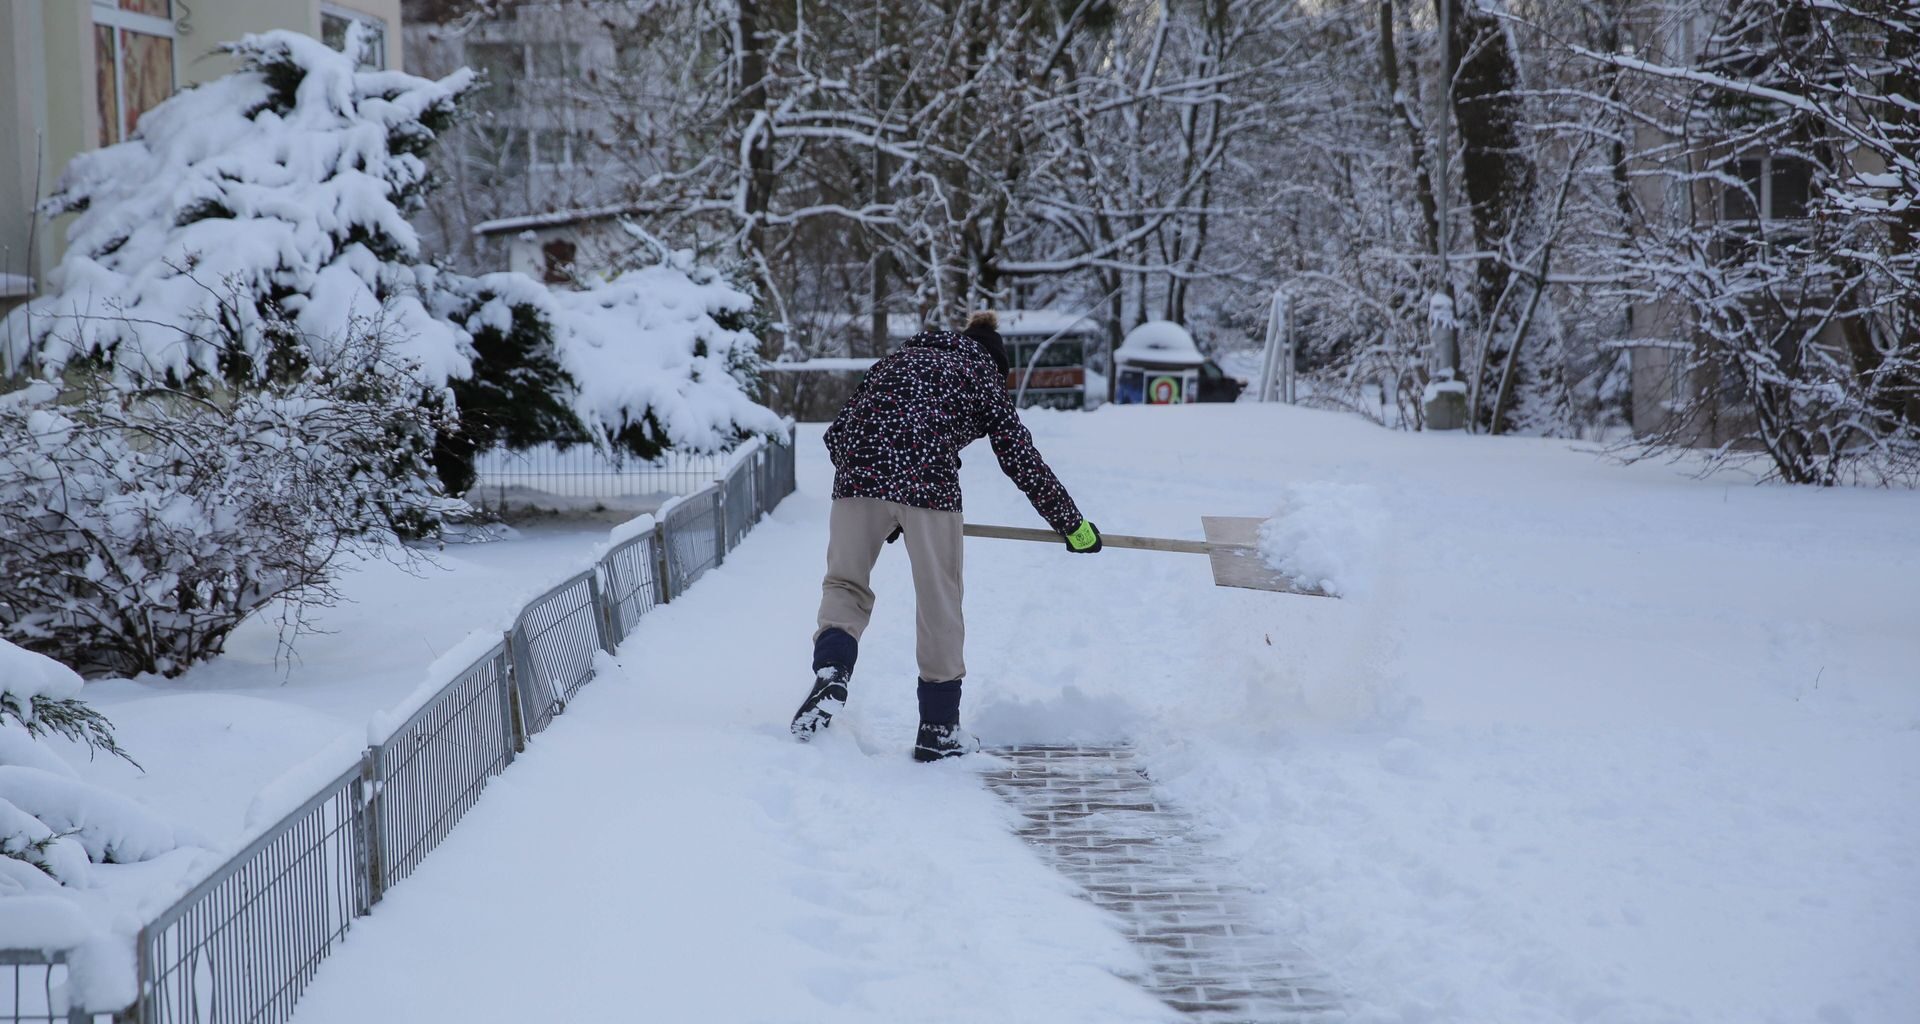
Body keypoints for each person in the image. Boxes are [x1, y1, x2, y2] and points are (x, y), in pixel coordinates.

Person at [791, 311, 1103, 761]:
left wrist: (879, 498)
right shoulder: (982, 374)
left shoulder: (897, 360)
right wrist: (1072, 525)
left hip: (856, 476)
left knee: (844, 583)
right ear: (998, 364)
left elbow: (836, 433)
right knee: (939, 600)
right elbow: (1020, 458)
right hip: (929, 483)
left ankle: (832, 669)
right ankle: (938, 729)